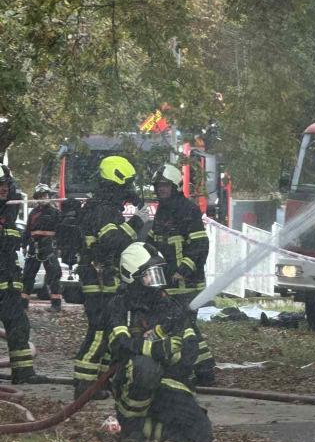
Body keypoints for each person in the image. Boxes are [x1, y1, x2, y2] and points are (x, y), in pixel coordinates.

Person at [107, 241, 213, 442]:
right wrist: (155, 349)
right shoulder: (120, 306)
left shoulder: (169, 305)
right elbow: (119, 346)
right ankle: (131, 425)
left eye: (158, 274)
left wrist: (173, 352)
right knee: (146, 368)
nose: (156, 281)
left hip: (168, 382)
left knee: (202, 434)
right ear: (131, 276)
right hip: (133, 381)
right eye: (149, 275)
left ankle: (137, 427)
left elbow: (191, 349)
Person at [73, 155, 152, 399]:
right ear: (115, 183)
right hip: (98, 279)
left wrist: (134, 203)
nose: (128, 190)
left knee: (109, 330)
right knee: (99, 330)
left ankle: (99, 382)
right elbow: (112, 242)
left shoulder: (102, 206)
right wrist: (137, 221)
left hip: (104, 278)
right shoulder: (103, 210)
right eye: (126, 185)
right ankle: (84, 386)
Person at [146, 164, 216, 386]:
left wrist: (182, 270)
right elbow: (155, 240)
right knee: (182, 326)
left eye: (165, 185)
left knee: (184, 326)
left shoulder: (187, 209)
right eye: (158, 186)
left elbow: (199, 245)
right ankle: (202, 369)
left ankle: (201, 370)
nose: (160, 189)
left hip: (187, 282)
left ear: (175, 186)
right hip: (168, 281)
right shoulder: (163, 210)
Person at [0, 166, 39, 383]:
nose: (4, 188)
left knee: (18, 326)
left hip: (8, 284)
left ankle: (23, 373)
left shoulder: (7, 213)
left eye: (6, 184)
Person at [21, 183, 62, 311]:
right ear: (37, 198)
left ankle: (56, 304)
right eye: (41, 195)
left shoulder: (55, 213)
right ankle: (23, 304)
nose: (44, 197)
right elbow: (27, 230)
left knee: (54, 275)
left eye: (45, 195)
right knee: (28, 275)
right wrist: (24, 245)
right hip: (34, 247)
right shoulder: (33, 213)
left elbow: (61, 231)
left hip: (49, 247)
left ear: (49, 196)